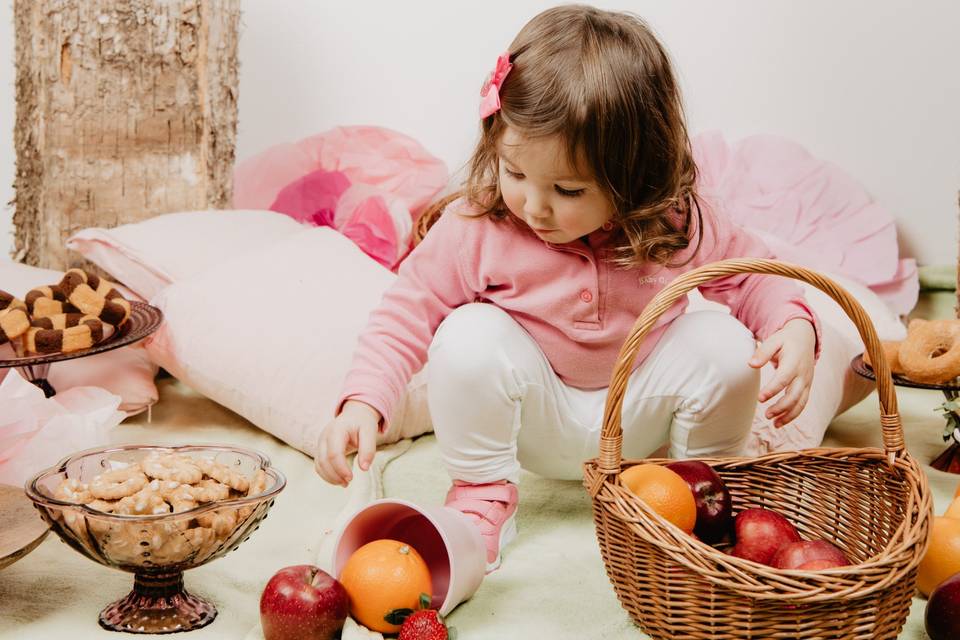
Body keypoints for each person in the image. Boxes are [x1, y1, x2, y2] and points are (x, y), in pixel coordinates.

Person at [314, 4, 819, 572]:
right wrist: (363, 400)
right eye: (515, 173)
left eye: (568, 190)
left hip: (637, 420)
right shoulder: (479, 227)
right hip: (536, 420)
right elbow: (405, 311)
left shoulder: (674, 221)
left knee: (725, 345)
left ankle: (697, 496)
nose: (533, 204)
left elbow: (757, 275)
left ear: (635, 175)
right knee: (466, 334)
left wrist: (792, 324)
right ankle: (482, 498)